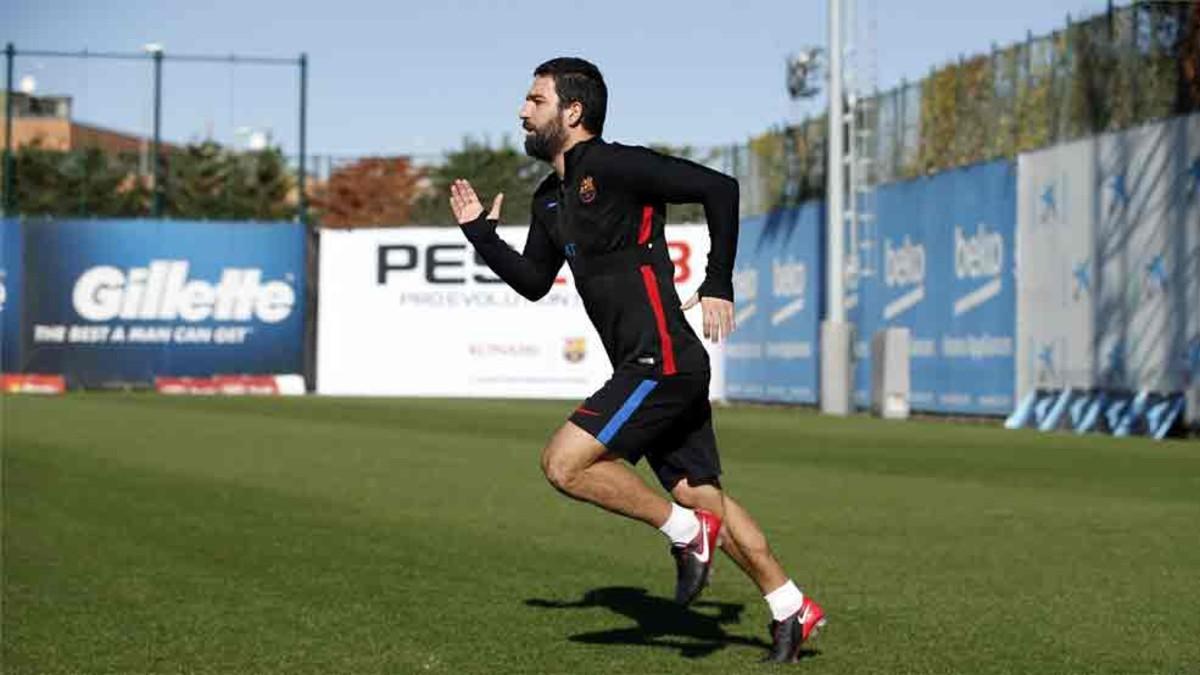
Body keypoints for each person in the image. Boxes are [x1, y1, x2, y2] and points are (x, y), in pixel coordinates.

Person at [448, 57, 824, 663]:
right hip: (651, 364)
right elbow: (534, 281)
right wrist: (481, 236)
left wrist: (719, 281)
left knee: (564, 464)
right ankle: (791, 606)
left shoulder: (617, 165)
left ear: (572, 112)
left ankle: (683, 533)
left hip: (663, 360)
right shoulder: (551, 198)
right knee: (702, 495)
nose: (522, 110)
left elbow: (719, 188)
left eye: (534, 99)